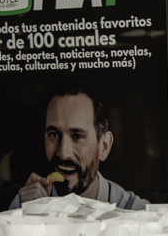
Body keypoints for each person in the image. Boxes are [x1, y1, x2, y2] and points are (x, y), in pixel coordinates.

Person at [10, 88, 145, 209]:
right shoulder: (26, 205)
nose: (63, 154)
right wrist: (26, 217)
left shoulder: (136, 213)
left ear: (104, 146)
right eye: (54, 135)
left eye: (77, 136)